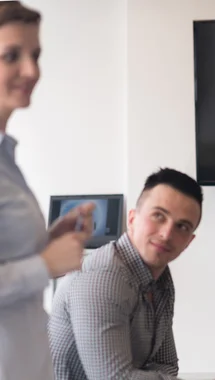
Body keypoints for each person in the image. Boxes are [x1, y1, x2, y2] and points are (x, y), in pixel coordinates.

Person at [0, 2, 95, 379]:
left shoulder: (8, 158)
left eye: (36, 55)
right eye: (12, 56)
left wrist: (47, 240)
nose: (32, 70)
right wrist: (45, 264)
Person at [48, 168, 203, 379]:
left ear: (189, 242)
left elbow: (166, 365)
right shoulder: (102, 277)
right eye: (158, 216)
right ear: (132, 219)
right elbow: (113, 378)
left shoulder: (161, 280)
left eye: (182, 226)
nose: (167, 234)